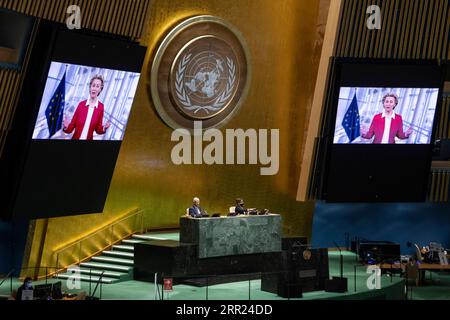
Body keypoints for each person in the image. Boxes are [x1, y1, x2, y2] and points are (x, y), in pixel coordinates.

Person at [63, 74, 111, 140]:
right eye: (93, 85)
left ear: (100, 89)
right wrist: (66, 127)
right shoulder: (81, 105)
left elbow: (98, 129)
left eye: (97, 86)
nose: (94, 88)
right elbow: (71, 126)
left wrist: (104, 128)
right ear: (90, 87)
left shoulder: (100, 107)